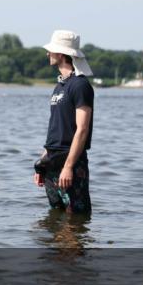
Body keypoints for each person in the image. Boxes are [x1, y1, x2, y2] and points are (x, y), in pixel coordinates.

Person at [33, 30, 94, 214]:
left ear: (60, 54)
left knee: (76, 217)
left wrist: (68, 167)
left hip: (71, 162)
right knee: (56, 216)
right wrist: (43, 163)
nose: (47, 54)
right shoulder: (59, 86)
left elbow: (82, 129)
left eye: (50, 50)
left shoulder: (80, 86)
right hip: (52, 162)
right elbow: (56, 127)